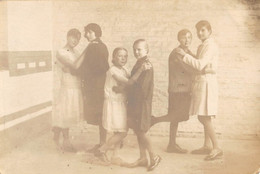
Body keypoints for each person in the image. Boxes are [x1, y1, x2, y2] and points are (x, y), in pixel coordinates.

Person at [175, 20, 223, 160]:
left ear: (209, 31)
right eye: (198, 30)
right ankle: (207, 145)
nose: (199, 33)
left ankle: (217, 147)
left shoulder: (210, 46)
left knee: (204, 117)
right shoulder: (203, 45)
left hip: (207, 83)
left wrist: (184, 55)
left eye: (203, 30)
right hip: (202, 82)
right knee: (204, 114)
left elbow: (200, 65)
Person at [94, 47, 150, 165]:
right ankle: (101, 150)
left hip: (121, 103)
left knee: (119, 131)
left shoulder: (124, 69)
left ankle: (115, 155)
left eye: (125, 56)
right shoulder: (112, 70)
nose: (123, 58)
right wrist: (140, 70)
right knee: (122, 132)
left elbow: (131, 84)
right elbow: (129, 82)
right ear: (114, 57)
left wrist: (122, 88)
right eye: (120, 56)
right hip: (114, 104)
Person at [151, 29, 195, 153]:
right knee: (176, 116)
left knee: (179, 117)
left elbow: (196, 61)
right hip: (177, 89)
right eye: (183, 37)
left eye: (189, 37)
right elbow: (190, 69)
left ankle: (171, 144)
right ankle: (155, 121)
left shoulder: (187, 52)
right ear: (178, 39)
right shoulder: (177, 53)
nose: (187, 40)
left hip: (184, 89)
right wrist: (201, 69)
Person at [125, 39, 161, 171]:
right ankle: (142, 157)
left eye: (139, 49)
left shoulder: (147, 65)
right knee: (137, 130)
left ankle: (154, 156)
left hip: (141, 102)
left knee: (141, 131)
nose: (136, 52)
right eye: (134, 49)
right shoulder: (139, 63)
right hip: (135, 102)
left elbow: (143, 87)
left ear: (147, 50)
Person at [77, 23, 109, 152]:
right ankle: (102, 142)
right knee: (101, 114)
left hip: (95, 86)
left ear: (96, 32)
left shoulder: (93, 47)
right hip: (100, 84)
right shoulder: (102, 46)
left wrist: (78, 71)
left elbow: (97, 68)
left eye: (89, 32)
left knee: (100, 114)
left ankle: (103, 144)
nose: (86, 35)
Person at [52, 28, 85, 152]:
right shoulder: (61, 52)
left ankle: (57, 136)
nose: (75, 41)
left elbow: (81, 69)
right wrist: (75, 69)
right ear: (67, 36)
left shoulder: (77, 53)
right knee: (65, 114)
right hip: (67, 86)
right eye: (73, 37)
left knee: (68, 114)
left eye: (77, 39)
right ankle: (65, 140)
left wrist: (74, 69)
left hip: (76, 86)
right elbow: (75, 66)